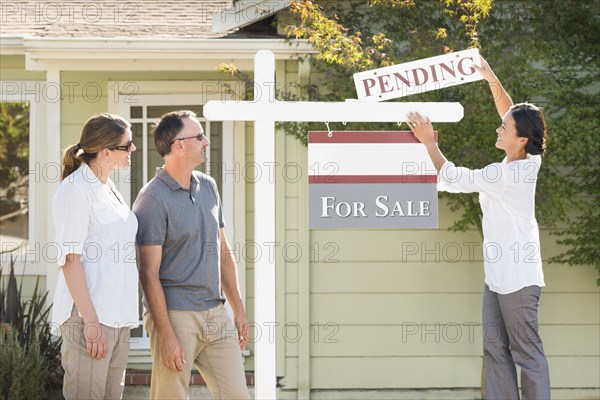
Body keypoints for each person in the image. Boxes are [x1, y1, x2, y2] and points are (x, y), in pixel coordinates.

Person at [407, 57, 551, 399]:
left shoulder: (507, 176)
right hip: (497, 277)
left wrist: (429, 141)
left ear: (520, 140)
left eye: (505, 128)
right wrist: (489, 76)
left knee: (527, 356)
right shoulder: (526, 156)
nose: (498, 129)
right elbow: (509, 111)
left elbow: (453, 177)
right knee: (495, 352)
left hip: (518, 279)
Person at [133, 110, 250, 400]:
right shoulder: (152, 199)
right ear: (178, 145)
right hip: (176, 316)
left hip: (215, 311)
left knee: (237, 394)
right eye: (199, 136)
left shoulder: (208, 186)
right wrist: (166, 335)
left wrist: (238, 307)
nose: (206, 141)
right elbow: (148, 274)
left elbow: (222, 250)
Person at [52, 113, 139, 399]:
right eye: (127, 145)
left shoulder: (109, 189)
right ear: (105, 152)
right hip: (89, 319)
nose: (133, 150)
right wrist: (90, 322)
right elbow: (70, 260)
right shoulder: (75, 190)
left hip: (116, 318)